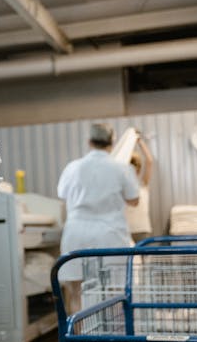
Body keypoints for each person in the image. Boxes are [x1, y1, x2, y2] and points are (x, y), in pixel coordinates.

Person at [56, 123, 141, 315]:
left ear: (89, 142)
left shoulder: (73, 167)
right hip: (110, 236)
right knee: (114, 293)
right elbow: (134, 200)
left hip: (77, 236)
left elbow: (62, 194)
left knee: (76, 292)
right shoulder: (121, 169)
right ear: (111, 143)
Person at [125, 134, 155, 241]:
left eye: (135, 167)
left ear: (138, 169)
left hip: (141, 229)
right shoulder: (121, 186)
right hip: (125, 230)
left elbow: (149, 161)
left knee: (143, 258)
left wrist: (139, 141)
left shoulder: (143, 184)